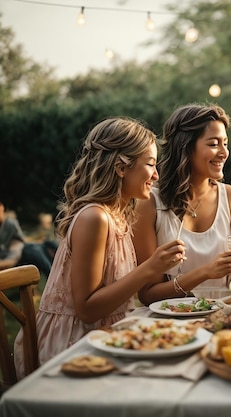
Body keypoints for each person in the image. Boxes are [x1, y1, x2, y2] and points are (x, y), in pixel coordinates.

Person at [13, 117, 185, 377]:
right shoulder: (95, 218)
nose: (157, 174)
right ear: (120, 167)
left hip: (106, 335)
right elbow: (87, 310)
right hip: (71, 345)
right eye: (150, 164)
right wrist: (150, 268)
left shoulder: (119, 214)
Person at [132, 103, 231, 303]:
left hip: (225, 318)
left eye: (225, 144)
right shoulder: (150, 203)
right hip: (169, 324)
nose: (223, 152)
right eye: (213, 144)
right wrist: (206, 272)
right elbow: (147, 295)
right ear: (185, 147)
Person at [0, 200, 52, 278]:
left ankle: (53, 275)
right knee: (35, 249)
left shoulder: (10, 223)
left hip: (17, 251)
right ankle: (51, 276)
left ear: (2, 208)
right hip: (12, 257)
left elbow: (22, 239)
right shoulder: (9, 224)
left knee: (44, 245)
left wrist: (37, 241)